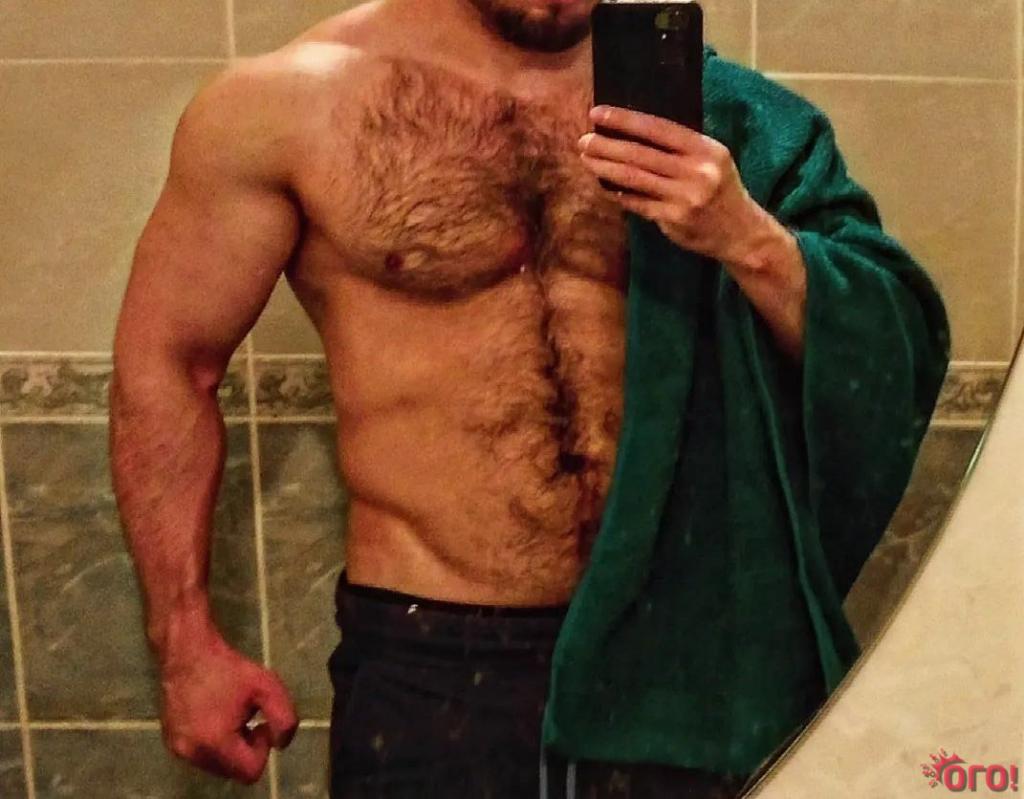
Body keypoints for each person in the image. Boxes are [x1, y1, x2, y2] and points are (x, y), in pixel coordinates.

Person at [109, 1, 847, 796]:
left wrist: (747, 238)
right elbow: (170, 363)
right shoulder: (284, 106)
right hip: (435, 659)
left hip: (677, 647)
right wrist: (184, 645)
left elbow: (865, 348)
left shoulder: (715, 116)